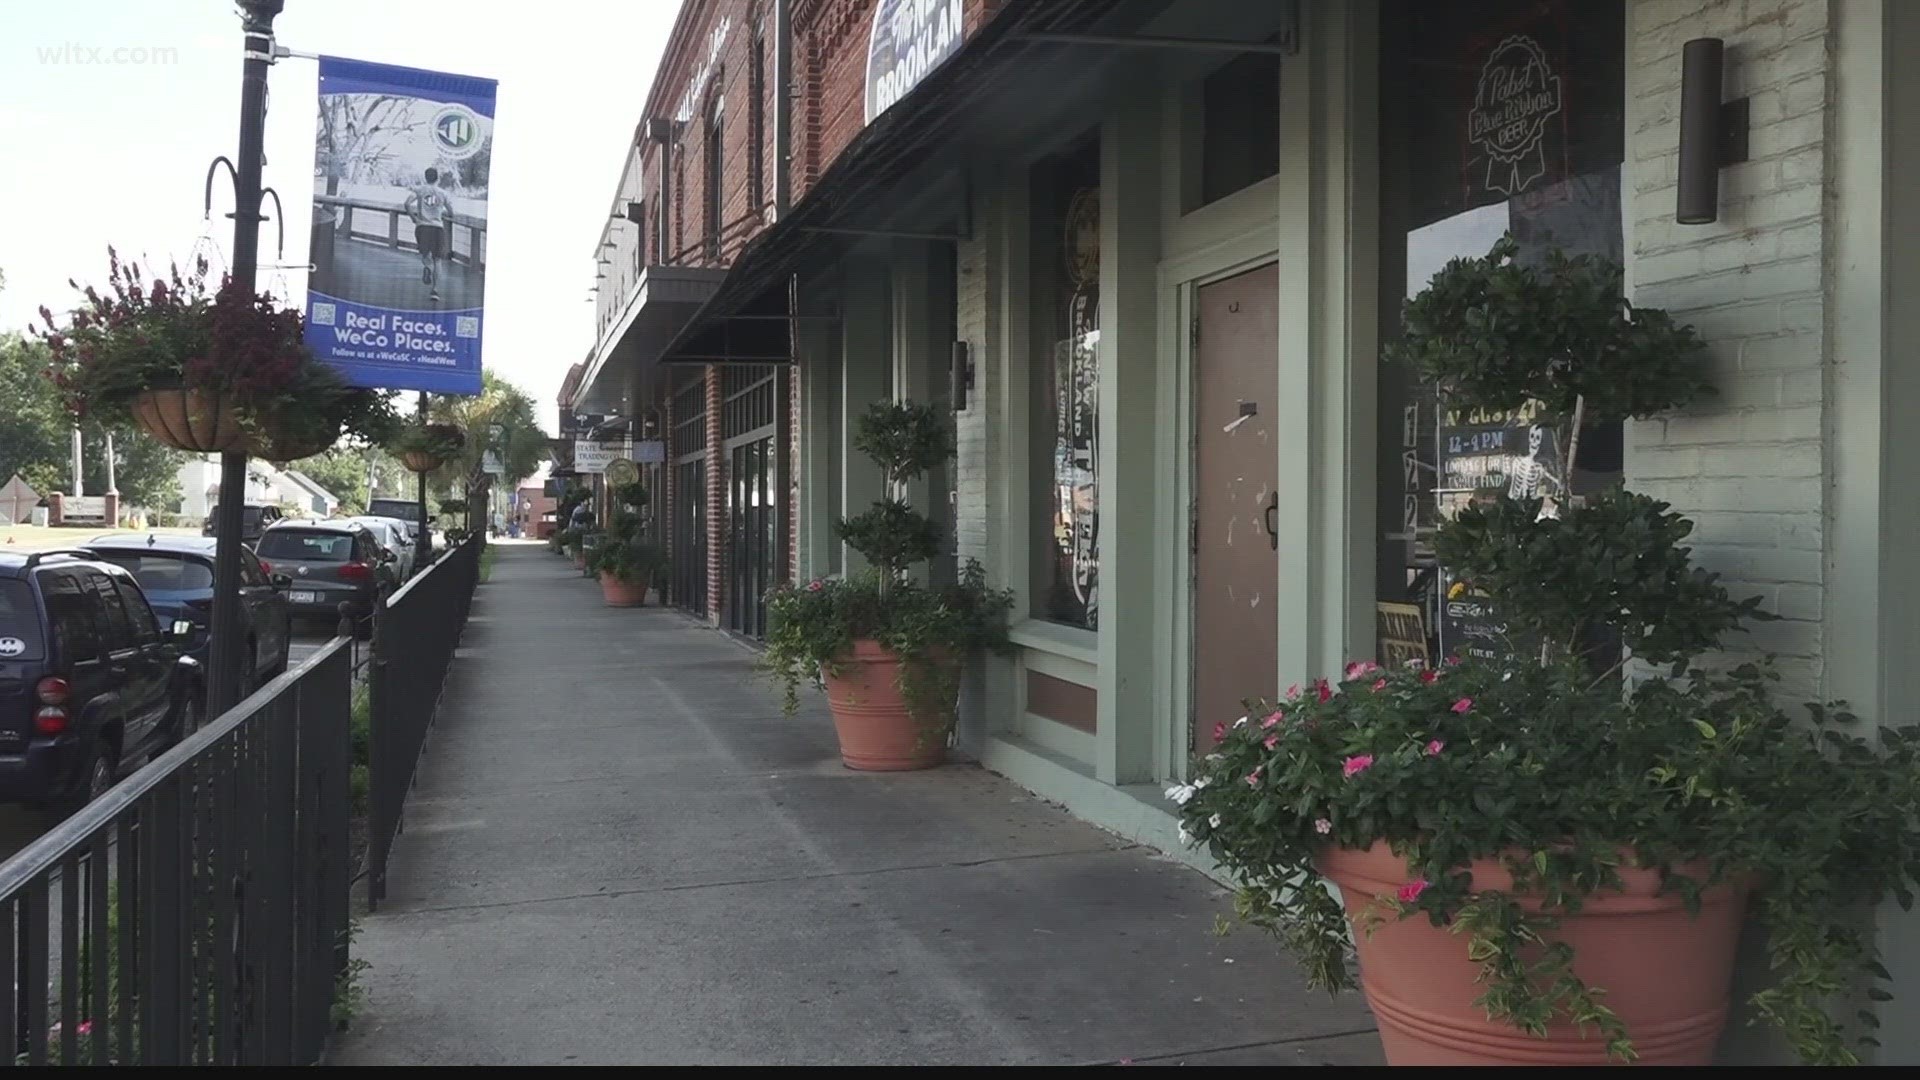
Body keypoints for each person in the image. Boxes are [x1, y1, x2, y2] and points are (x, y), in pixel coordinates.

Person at [403, 167, 454, 304]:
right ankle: (435, 290)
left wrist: (413, 218)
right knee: (438, 259)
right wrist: (448, 215)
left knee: (426, 256)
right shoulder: (443, 193)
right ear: (437, 178)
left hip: (422, 227)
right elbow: (450, 211)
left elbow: (407, 203)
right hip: (437, 228)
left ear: (426, 178)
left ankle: (427, 267)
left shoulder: (419, 190)